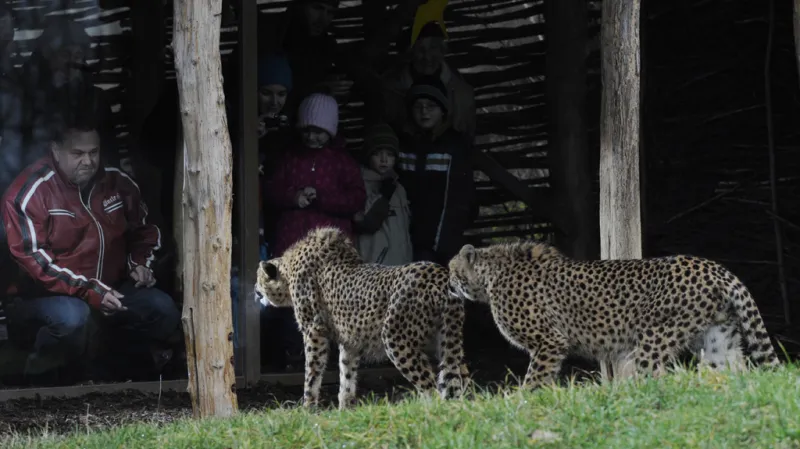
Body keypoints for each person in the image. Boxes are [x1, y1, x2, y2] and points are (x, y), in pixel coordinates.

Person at [1, 109, 182, 384]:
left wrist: (140, 264)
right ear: (56, 151)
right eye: (78, 154)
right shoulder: (29, 192)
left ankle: (112, 379)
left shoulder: (117, 182)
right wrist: (90, 291)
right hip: (38, 297)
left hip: (109, 289)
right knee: (72, 317)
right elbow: (35, 262)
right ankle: (38, 386)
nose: (88, 161)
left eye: (94, 152)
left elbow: (145, 231)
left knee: (161, 309)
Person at [262, 92, 365, 371]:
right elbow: (270, 191)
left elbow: (356, 199)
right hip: (292, 243)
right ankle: (292, 356)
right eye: (308, 131)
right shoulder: (289, 159)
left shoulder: (342, 162)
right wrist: (294, 198)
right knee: (292, 301)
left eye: (319, 132)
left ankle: (333, 360)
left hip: (330, 249)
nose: (313, 137)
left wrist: (322, 198)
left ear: (330, 132)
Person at [397, 75, 475, 265]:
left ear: (443, 110)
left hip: (444, 242)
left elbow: (461, 198)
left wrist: (445, 239)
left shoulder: (454, 146)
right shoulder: (402, 144)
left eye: (431, 106)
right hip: (406, 242)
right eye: (418, 106)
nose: (424, 112)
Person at [379, 20, 476, 140]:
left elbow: (468, 139)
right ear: (411, 52)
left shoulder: (462, 94)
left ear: (442, 51)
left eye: (433, 48)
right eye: (421, 49)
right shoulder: (391, 89)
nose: (427, 57)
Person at [353, 122, 413, 266]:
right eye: (377, 153)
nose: (384, 159)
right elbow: (365, 222)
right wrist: (382, 196)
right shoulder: (360, 185)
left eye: (390, 154)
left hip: (399, 264)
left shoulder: (398, 187)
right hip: (373, 265)